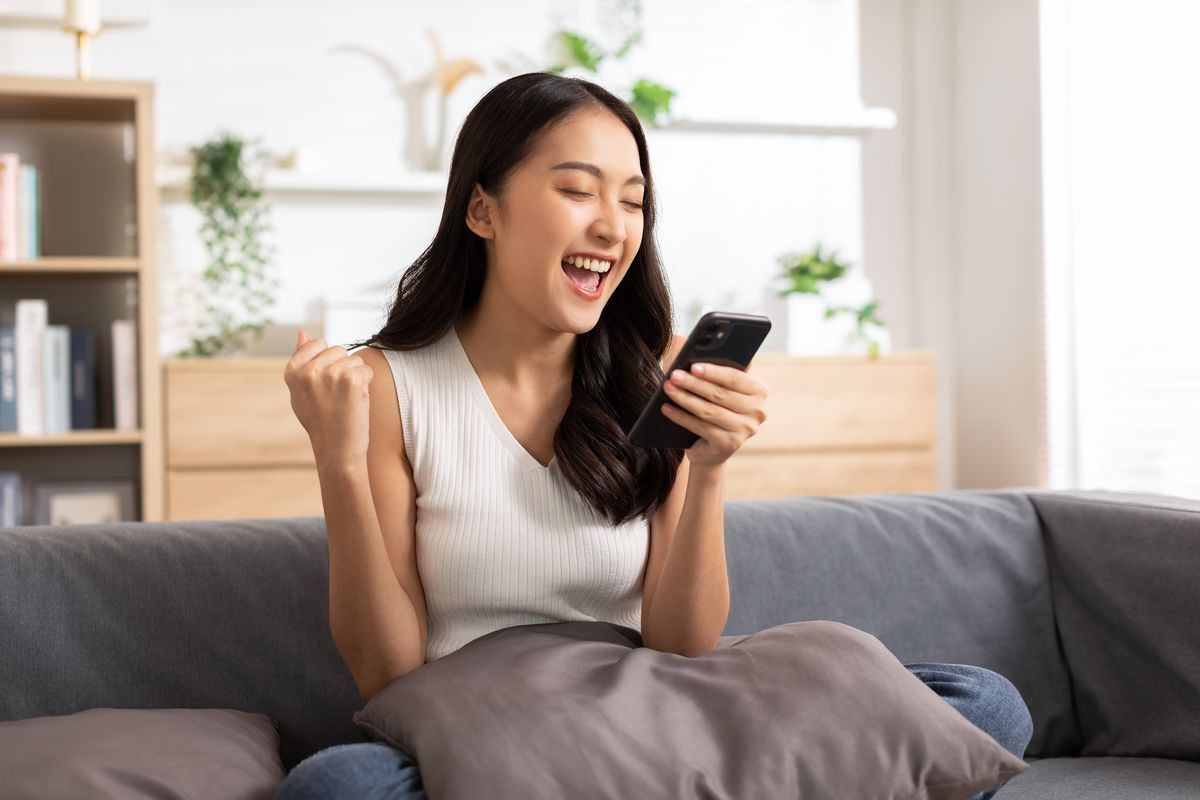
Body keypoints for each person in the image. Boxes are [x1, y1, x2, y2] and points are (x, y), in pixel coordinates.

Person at [277, 71, 1032, 800]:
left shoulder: (657, 370)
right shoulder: (387, 386)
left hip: (645, 707)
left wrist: (708, 469)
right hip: (490, 721)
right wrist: (337, 465)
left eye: (633, 202)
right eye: (576, 190)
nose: (612, 226)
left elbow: (684, 644)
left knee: (983, 703)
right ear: (482, 209)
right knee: (339, 787)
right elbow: (387, 674)